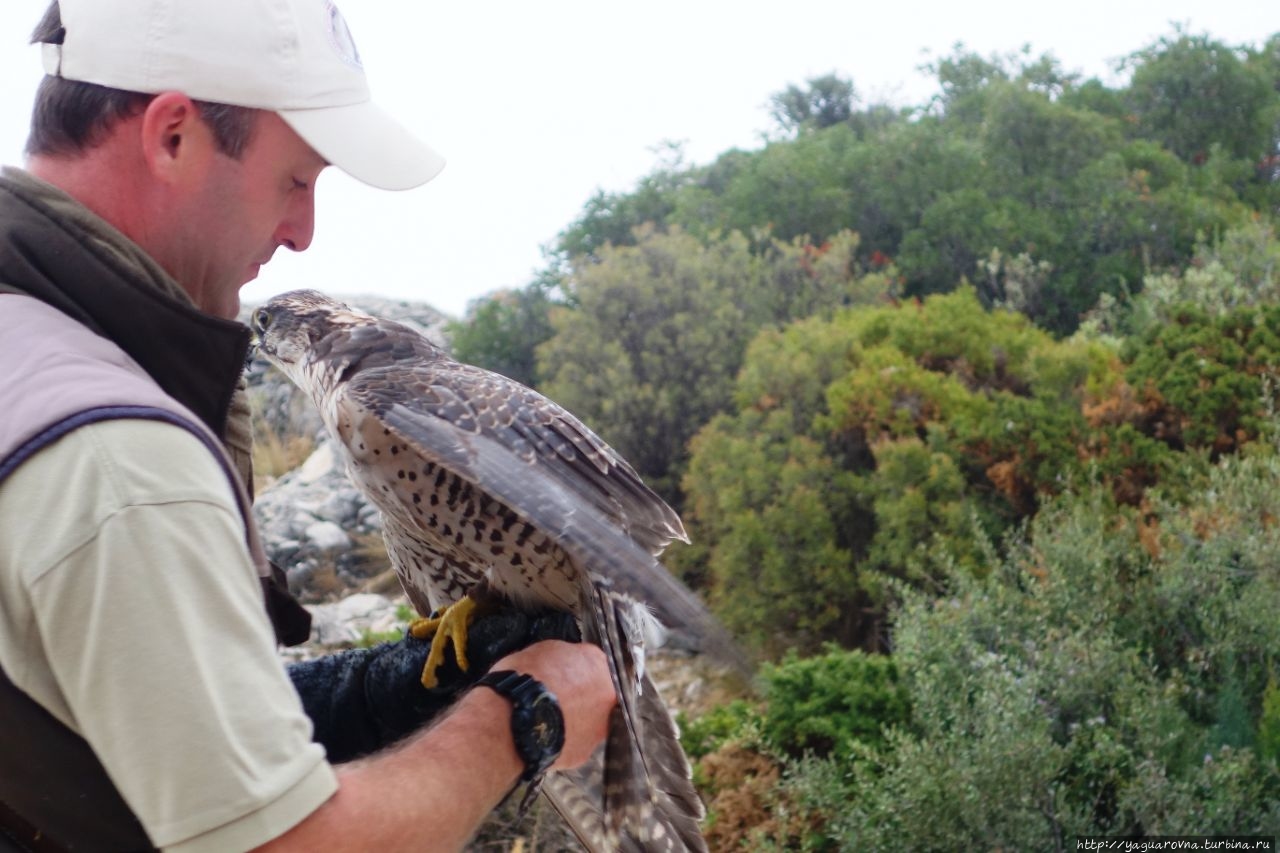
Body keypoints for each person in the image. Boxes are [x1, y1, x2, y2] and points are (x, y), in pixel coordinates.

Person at [0, 1, 616, 851]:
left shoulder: (26, 355)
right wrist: (520, 718)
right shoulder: (115, 457)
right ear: (173, 134)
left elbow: (118, 745)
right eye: (296, 179)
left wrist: (379, 699)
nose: (303, 232)